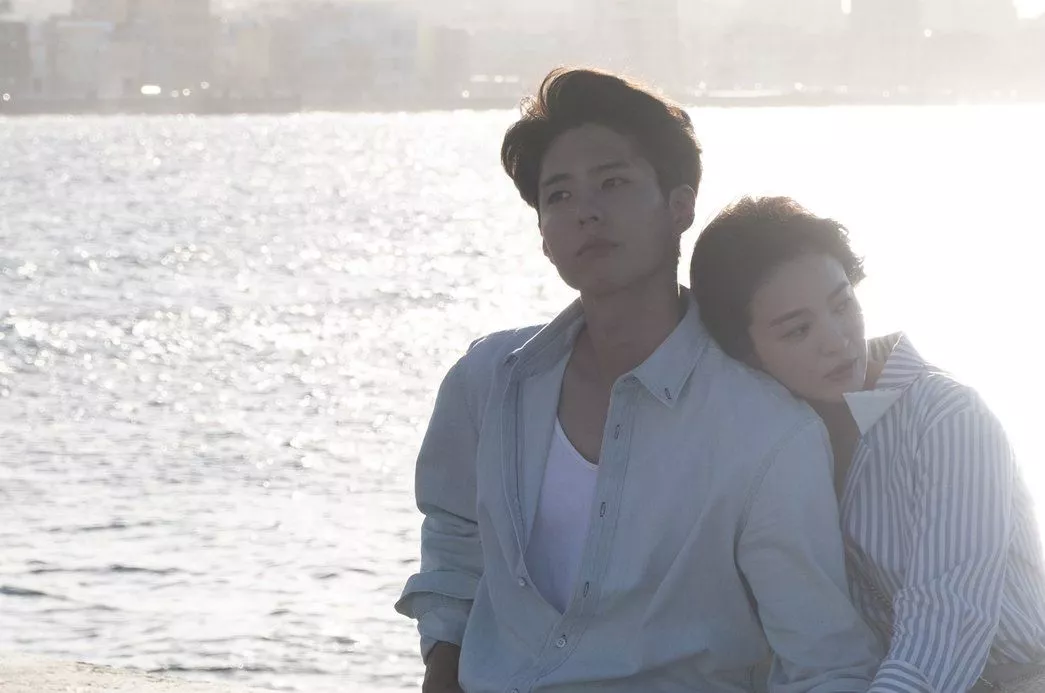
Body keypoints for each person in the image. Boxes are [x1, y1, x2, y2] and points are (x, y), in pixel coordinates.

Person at [395, 69, 881, 693]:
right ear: (543, 237)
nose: (586, 212)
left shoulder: (766, 431)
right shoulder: (488, 383)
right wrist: (441, 668)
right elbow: (454, 538)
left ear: (680, 206)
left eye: (614, 183)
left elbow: (825, 661)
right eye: (559, 196)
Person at [689, 196, 1045, 693]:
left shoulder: (947, 418)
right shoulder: (771, 446)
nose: (837, 340)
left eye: (842, 305)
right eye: (798, 330)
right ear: (747, 353)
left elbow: (946, 619)